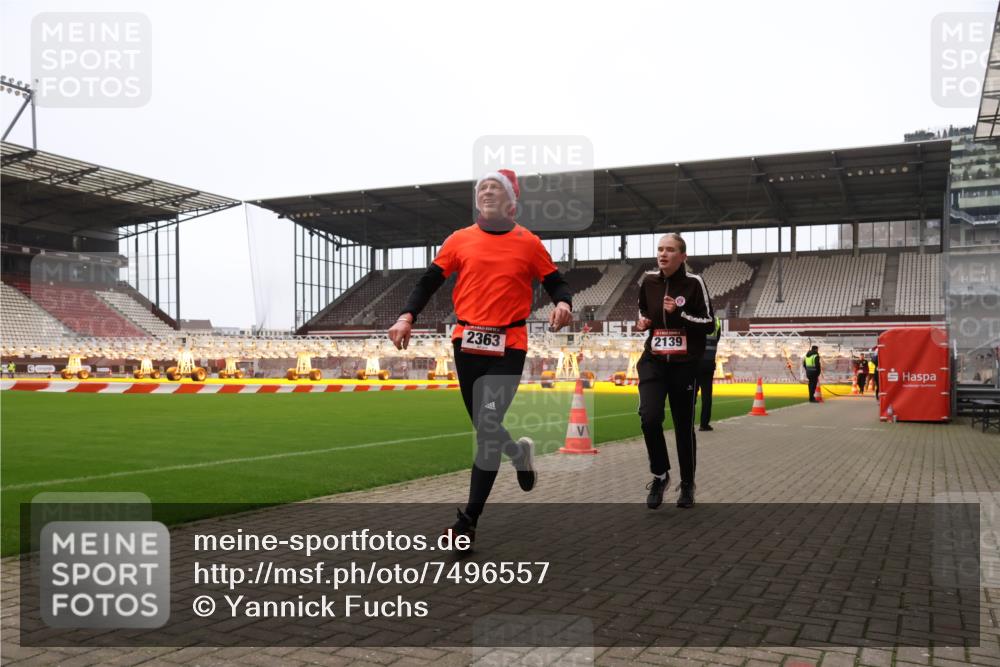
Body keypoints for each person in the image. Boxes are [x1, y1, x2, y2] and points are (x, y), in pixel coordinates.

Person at [388, 169, 573, 547]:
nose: (486, 191)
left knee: (488, 424)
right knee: (486, 427)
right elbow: (428, 281)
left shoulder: (528, 242)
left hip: (509, 343)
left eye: (495, 188)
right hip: (466, 342)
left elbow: (555, 281)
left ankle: (467, 522)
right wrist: (407, 315)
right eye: (482, 188)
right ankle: (518, 453)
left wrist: (564, 303)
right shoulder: (459, 240)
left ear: (511, 202)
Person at [635, 233, 715, 510]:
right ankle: (660, 475)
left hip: (684, 366)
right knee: (649, 416)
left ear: (683, 256)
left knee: (683, 426)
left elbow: (708, 323)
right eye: (660, 249)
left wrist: (680, 316)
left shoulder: (695, 283)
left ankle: (688, 483)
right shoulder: (648, 281)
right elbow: (643, 309)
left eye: (670, 250)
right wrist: (644, 322)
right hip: (654, 360)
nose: (663, 254)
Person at [696, 316, 722, 431]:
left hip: (694, 364)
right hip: (708, 363)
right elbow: (717, 339)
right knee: (707, 396)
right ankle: (704, 424)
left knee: (690, 396)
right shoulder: (716, 321)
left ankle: (687, 424)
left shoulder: (693, 317)